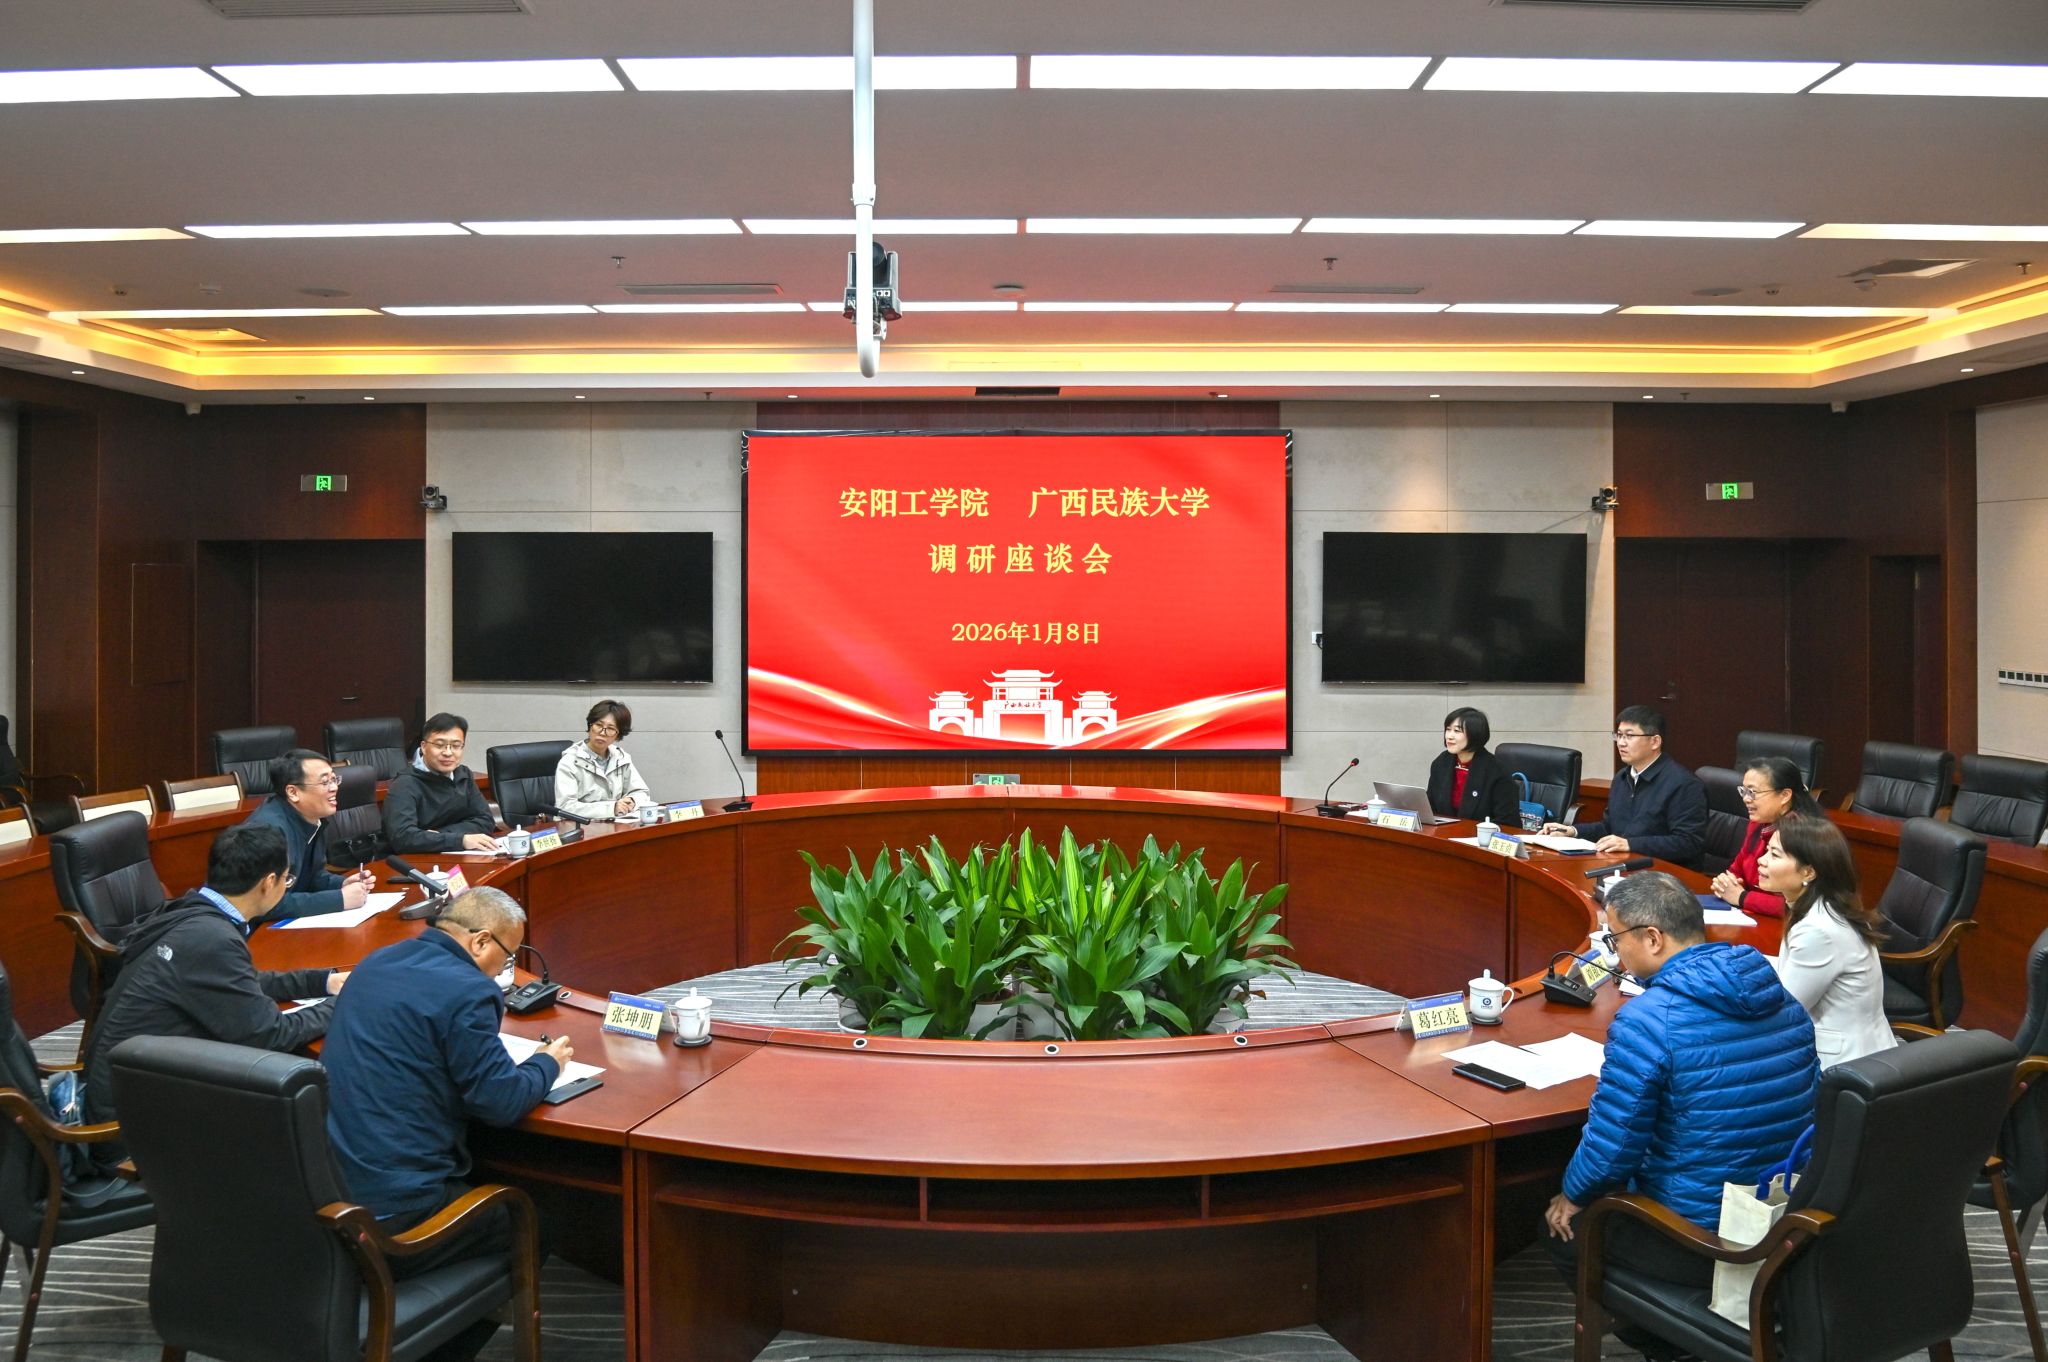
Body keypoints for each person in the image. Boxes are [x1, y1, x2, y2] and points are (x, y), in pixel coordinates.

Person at [1544, 872, 1817, 1360]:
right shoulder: (1783, 999)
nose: (1615, 955)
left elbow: (1611, 1151)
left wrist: (1571, 1194)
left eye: (1616, 939)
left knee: (1563, 1230)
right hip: (1785, 1221)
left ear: (1653, 938)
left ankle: (1672, 1346)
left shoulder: (1648, 1021)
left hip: (1702, 1239)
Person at [322, 887, 573, 1362]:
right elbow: (501, 1102)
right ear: (480, 941)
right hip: (397, 1214)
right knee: (534, 1222)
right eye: (506, 958)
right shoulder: (468, 990)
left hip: (331, 1195)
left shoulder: (377, 962)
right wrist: (547, 1063)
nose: (503, 970)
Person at [81, 823, 347, 1166]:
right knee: (310, 1094)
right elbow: (270, 1034)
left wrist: (323, 982)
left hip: (127, 1093)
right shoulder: (211, 938)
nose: (286, 885)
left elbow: (241, 981)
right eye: (287, 879)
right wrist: (342, 1003)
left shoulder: (193, 911)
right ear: (269, 883)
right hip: (131, 1131)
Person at [1757, 813, 1897, 1066]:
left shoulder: (1819, 930)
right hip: (1861, 1047)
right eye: (1767, 851)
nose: (1761, 860)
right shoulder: (1823, 907)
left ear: (1809, 872)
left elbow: (1783, 1011)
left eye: (1774, 855)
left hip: (1840, 1063)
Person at [1544, 705, 1708, 869]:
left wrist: (1630, 844)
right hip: (1627, 865)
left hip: (1666, 874)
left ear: (1655, 741)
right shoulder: (1623, 777)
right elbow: (1609, 827)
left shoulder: (1684, 784)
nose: (1621, 743)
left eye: (1629, 736)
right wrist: (1572, 831)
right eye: (1619, 735)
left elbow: (1688, 843)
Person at [239, 749, 374, 920]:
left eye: (334, 779)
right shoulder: (268, 831)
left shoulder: (313, 818)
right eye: (324, 782)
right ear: (293, 792)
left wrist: (342, 884)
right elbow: (264, 904)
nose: (334, 788)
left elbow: (312, 877)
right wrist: (339, 899)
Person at [1708, 757, 1823, 917]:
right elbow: (1738, 868)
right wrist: (1726, 883)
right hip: (1752, 915)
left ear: (1785, 795)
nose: (1746, 799)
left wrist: (1742, 897)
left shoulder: (1803, 835)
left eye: (1753, 792)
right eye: (1744, 791)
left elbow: (1800, 903)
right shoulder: (1758, 823)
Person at [385, 712, 499, 854]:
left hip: (453, 854)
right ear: (424, 747)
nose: (448, 752)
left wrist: (441, 835)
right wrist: (460, 840)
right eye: (439, 745)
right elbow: (403, 838)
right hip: (417, 860)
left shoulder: (463, 775)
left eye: (456, 746)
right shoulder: (405, 784)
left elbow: (486, 820)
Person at [554, 699, 653, 820]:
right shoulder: (570, 761)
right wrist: (611, 808)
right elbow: (565, 807)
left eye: (610, 728)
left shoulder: (621, 758)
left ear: (618, 735)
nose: (602, 733)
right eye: (598, 725)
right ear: (590, 726)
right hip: (580, 826)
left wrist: (632, 800)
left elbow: (641, 792)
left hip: (616, 824)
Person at [1425, 707, 1522, 825]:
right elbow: (1430, 807)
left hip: (1480, 835)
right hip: (1443, 832)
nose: (1449, 736)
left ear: (1474, 734)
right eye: (1448, 729)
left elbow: (1508, 821)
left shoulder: (1496, 771)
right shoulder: (1441, 763)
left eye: (1457, 731)